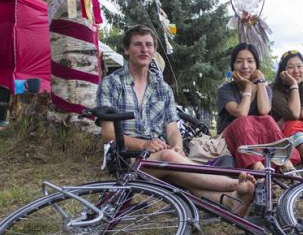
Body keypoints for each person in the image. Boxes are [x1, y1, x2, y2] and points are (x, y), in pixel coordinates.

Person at [96, 25, 254, 215]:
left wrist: (177, 146)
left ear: (154, 51)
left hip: (157, 154)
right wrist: (144, 144)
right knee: (169, 158)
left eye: (149, 45)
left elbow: (172, 130)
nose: (144, 49)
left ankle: (229, 202)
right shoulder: (111, 84)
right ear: (127, 49)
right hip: (124, 156)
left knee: (181, 172)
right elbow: (107, 134)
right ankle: (233, 184)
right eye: (138, 44)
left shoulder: (163, 88)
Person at [216, 43, 301, 170]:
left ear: (256, 66)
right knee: (243, 120)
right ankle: (257, 167)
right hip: (231, 139)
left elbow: (264, 110)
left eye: (250, 61)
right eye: (239, 61)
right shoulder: (225, 90)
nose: (245, 66)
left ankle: (284, 161)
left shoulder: (265, 89)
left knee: (267, 119)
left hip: (256, 140)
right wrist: (248, 87)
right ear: (233, 65)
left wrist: (260, 82)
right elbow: (241, 113)